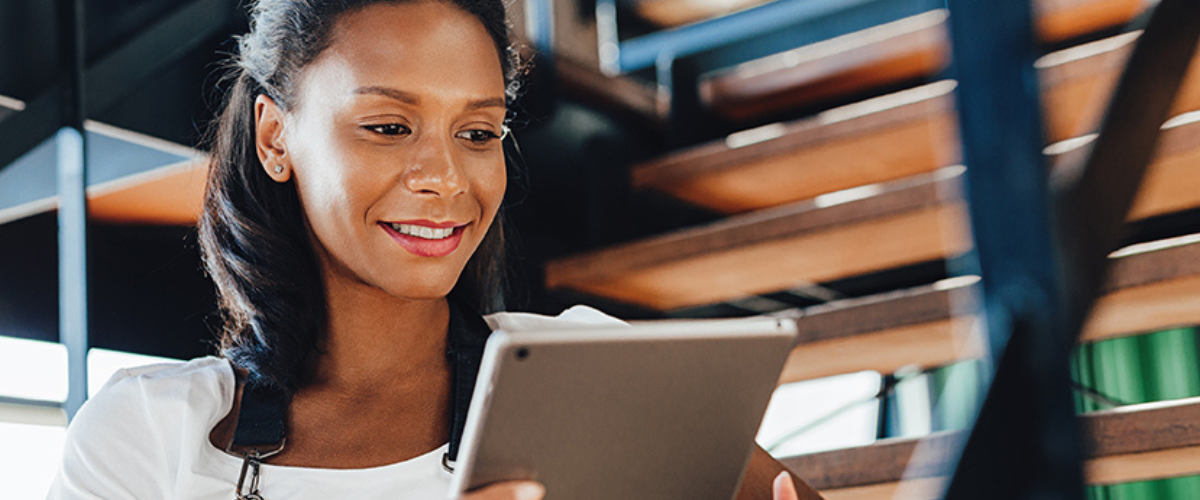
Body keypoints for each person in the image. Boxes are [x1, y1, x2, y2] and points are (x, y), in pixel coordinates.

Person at [47, 0, 825, 498]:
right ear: (275, 135)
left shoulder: (588, 374)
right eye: (388, 127)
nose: (446, 179)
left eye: (479, 133)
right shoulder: (149, 432)